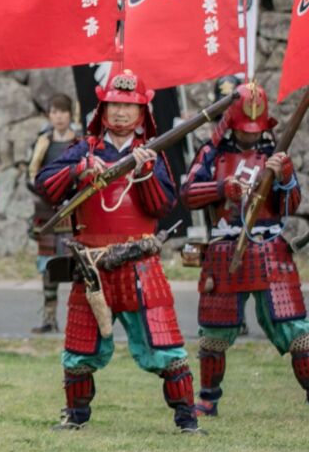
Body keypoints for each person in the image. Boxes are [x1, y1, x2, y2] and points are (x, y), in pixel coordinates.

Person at [38, 69, 199, 433]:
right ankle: (76, 416)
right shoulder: (84, 148)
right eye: (114, 105)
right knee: (80, 350)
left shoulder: (152, 153)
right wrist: (80, 170)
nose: (122, 113)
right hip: (92, 265)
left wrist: (145, 171)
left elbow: (163, 206)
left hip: (140, 264)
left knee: (165, 345)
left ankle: (187, 418)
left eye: (130, 107)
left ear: (142, 112)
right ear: (103, 109)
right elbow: (46, 184)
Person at [181, 82, 309, 419]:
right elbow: (187, 194)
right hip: (224, 248)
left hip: (270, 248)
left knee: (296, 330)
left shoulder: (274, 152)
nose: (249, 136)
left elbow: (289, 204)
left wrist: (285, 177)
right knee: (214, 335)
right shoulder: (211, 153)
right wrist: (221, 188)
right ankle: (208, 399)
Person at [26, 93, 82, 333]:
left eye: (62, 112)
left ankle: (78, 320)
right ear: (49, 115)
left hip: (75, 210)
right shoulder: (42, 142)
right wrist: (46, 191)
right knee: (48, 267)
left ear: (71, 114)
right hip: (47, 210)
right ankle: (49, 318)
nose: (58, 117)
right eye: (54, 112)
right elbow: (32, 174)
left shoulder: (80, 143)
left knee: (76, 266)